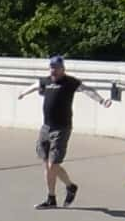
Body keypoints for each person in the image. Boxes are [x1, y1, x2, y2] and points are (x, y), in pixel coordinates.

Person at [16, 56, 109, 209]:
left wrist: (101, 100)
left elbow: (87, 90)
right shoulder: (46, 81)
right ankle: (60, 193)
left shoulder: (70, 82)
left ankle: (59, 193)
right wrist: (23, 93)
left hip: (61, 128)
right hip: (46, 127)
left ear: (62, 69)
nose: (53, 70)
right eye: (51, 67)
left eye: (56, 68)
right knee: (47, 164)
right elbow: (35, 85)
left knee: (53, 164)